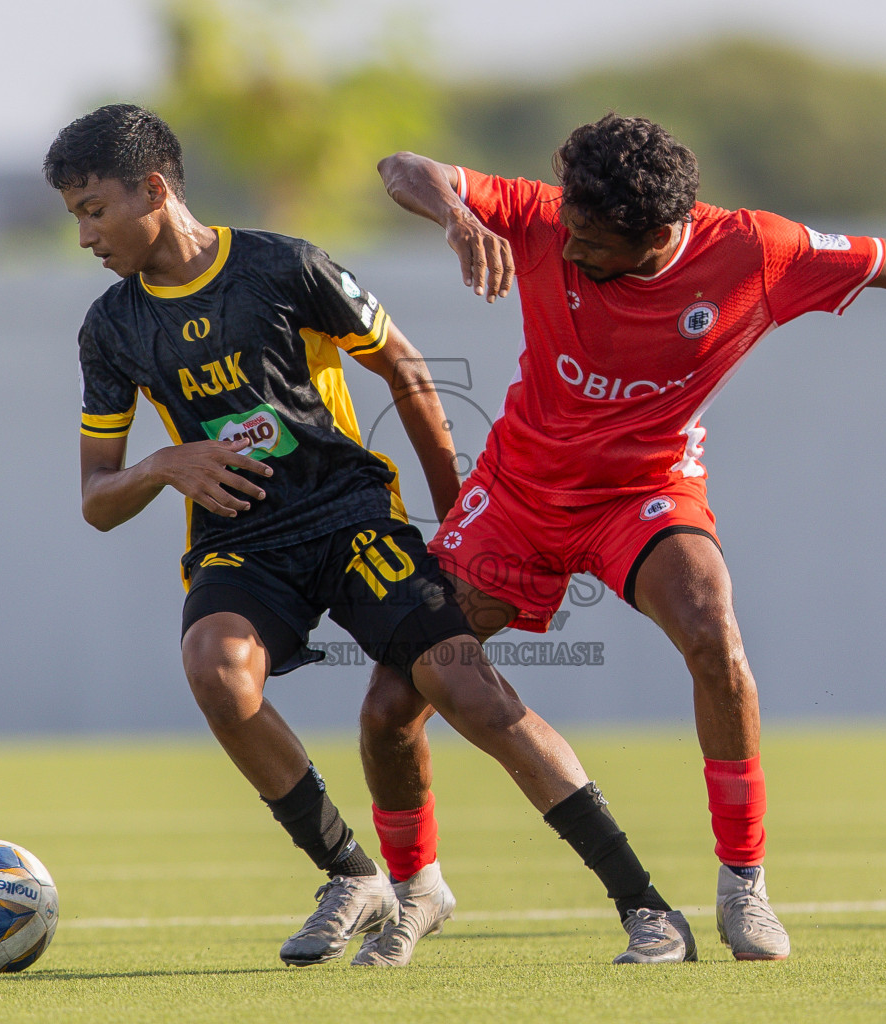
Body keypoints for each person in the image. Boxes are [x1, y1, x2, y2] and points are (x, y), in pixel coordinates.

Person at [360, 113, 886, 962]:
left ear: (660, 235)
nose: (571, 252)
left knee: (715, 637)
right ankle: (419, 889)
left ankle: (744, 887)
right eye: (569, 232)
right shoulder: (547, 216)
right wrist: (458, 216)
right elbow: (402, 164)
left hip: (643, 495)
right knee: (393, 699)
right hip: (517, 497)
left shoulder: (755, 252)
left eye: (592, 242)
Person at [45, 104, 699, 968]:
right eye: (74, 216)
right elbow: (96, 497)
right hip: (242, 545)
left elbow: (407, 369)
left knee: (472, 696)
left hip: (350, 517)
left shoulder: (284, 265)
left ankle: (647, 908)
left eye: (92, 210)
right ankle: (351, 875)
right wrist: (165, 465)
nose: (85, 235)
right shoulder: (111, 327)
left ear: (154, 190)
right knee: (215, 668)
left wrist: (459, 519)